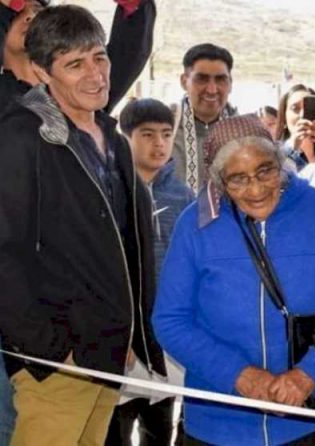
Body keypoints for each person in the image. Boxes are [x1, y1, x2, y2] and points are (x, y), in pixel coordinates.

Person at [0, 6, 166, 445]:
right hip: (56, 363)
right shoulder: (19, 136)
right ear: (41, 71)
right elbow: (4, 254)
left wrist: (126, 332)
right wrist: (50, 350)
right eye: (75, 64)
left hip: (107, 354)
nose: (95, 75)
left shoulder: (113, 138)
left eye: (99, 57)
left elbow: (123, 244)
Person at [152, 114, 315, 446]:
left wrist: (309, 375)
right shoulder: (195, 224)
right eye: (238, 179)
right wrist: (239, 376)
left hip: (310, 420)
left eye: (265, 171)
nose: (256, 189)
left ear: (281, 163)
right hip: (218, 423)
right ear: (218, 181)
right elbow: (170, 320)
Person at [105, 98, 195, 446]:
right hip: (122, 338)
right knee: (115, 430)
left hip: (166, 338)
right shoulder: (108, 188)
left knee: (160, 430)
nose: (159, 144)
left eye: (166, 134)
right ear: (125, 137)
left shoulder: (183, 195)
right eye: (147, 134)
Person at [0, 0, 156, 116]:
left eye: (37, 10)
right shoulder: (5, 96)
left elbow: (130, 51)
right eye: (17, 13)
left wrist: (133, 4)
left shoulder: (81, 88)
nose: (30, 16)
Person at [172, 43, 238, 192]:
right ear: (184, 81)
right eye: (202, 79)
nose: (212, 90)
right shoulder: (163, 127)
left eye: (221, 79)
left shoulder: (247, 133)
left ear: (231, 83)